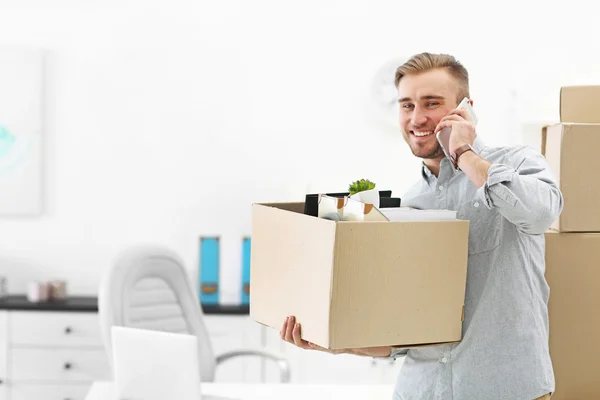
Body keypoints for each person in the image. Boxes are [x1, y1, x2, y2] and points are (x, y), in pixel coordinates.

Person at [280, 52, 563, 400]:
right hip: (422, 391)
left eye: (431, 103)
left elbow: (540, 214)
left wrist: (463, 153)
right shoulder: (409, 205)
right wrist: (336, 341)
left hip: (506, 391)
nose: (417, 117)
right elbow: (406, 336)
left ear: (466, 108)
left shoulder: (515, 163)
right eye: (407, 105)